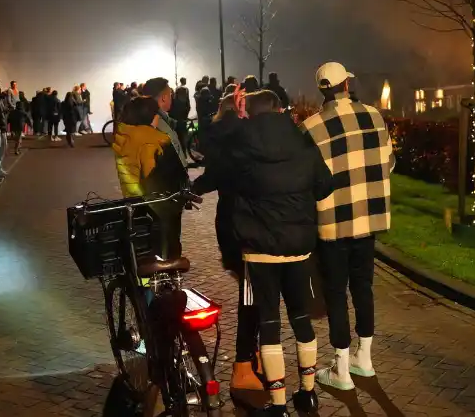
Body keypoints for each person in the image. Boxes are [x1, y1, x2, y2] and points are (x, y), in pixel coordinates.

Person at [203, 91, 333, 415]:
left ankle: (278, 404)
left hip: (259, 249)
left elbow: (216, 173)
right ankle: (308, 392)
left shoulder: (241, 143)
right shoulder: (301, 141)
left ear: (250, 111)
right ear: (280, 109)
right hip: (299, 248)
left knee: (270, 322)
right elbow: (325, 186)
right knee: (301, 319)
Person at [300, 62, 394, 390]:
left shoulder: (310, 127)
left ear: (322, 89)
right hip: (367, 218)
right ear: (346, 84)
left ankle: (340, 368)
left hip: (331, 223)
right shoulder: (373, 115)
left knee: (336, 293)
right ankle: (364, 359)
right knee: (363, 287)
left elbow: (306, 179)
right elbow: (388, 162)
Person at [191, 92, 262, 393]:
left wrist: (193, 188)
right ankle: (243, 364)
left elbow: (214, 175)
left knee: (253, 292)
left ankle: (253, 354)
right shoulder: (245, 139)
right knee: (252, 294)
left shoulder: (222, 137)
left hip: (231, 224)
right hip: (247, 226)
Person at [112, 96, 189, 260]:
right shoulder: (155, 140)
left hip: (133, 201)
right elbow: (169, 175)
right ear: (150, 116)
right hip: (159, 208)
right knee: (167, 250)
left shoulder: (124, 135)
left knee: (143, 249)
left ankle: (144, 282)